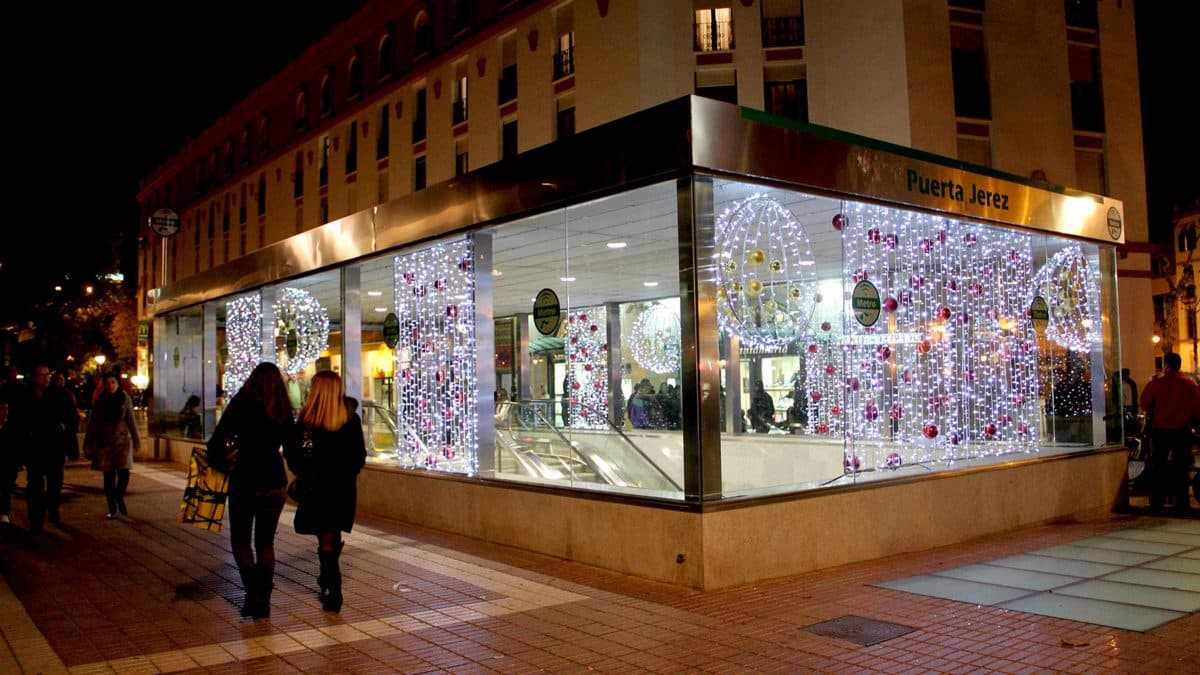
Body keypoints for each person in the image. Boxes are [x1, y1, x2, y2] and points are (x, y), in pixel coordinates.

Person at [207, 362, 294, 619]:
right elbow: (290, 448)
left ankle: (253, 592)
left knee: (241, 541)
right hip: (274, 480)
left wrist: (225, 459)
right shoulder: (282, 407)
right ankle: (263, 600)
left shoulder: (241, 403)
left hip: (245, 479)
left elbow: (216, 442)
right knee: (266, 543)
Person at [284, 370, 366, 613]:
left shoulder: (306, 422)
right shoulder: (350, 419)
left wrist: (303, 472)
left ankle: (332, 585)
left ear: (316, 389)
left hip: (315, 487)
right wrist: (345, 474)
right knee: (332, 535)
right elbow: (358, 457)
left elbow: (293, 454)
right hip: (341, 489)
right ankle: (330, 583)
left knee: (325, 537)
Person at [22, 363, 80, 532]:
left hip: (54, 447)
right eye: (40, 375)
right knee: (34, 485)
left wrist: (66, 434)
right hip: (34, 447)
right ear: (33, 377)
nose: (44, 378)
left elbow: (72, 419)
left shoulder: (60, 395)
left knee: (55, 483)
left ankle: (53, 508)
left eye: (46, 374)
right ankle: (36, 518)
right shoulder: (26, 396)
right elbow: (19, 421)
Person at [1139, 352, 1199, 516]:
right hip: (1182, 430)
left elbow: (1144, 403)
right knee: (1182, 467)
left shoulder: (1157, 383)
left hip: (1161, 430)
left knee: (1158, 466)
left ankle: (1157, 502)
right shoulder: (1189, 384)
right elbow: (1197, 409)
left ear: (1166, 365)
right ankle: (1182, 502)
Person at [84, 375, 141, 518]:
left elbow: (131, 420)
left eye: (113, 382)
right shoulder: (100, 401)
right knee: (108, 475)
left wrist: (137, 440)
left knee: (124, 472)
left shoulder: (124, 398)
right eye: (107, 383)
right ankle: (112, 508)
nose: (110, 385)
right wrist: (88, 442)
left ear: (117, 383)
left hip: (122, 441)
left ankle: (119, 496)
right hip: (105, 442)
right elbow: (93, 423)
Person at [0, 403, 17, 524]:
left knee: (5, 488)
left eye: (6, 409)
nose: (4, 412)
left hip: (7, 462)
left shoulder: (11, 426)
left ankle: (4, 512)